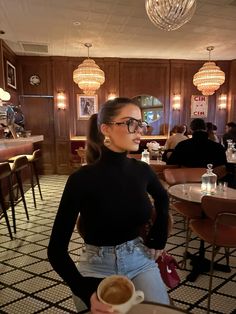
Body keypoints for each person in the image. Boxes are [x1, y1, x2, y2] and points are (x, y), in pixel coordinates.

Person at [48, 97, 170, 313]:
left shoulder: (142, 170)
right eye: (131, 123)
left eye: (140, 123)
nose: (139, 131)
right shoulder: (81, 179)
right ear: (106, 129)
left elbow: (163, 198)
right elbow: (56, 250)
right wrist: (84, 290)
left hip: (139, 258)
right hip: (96, 263)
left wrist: (158, 238)